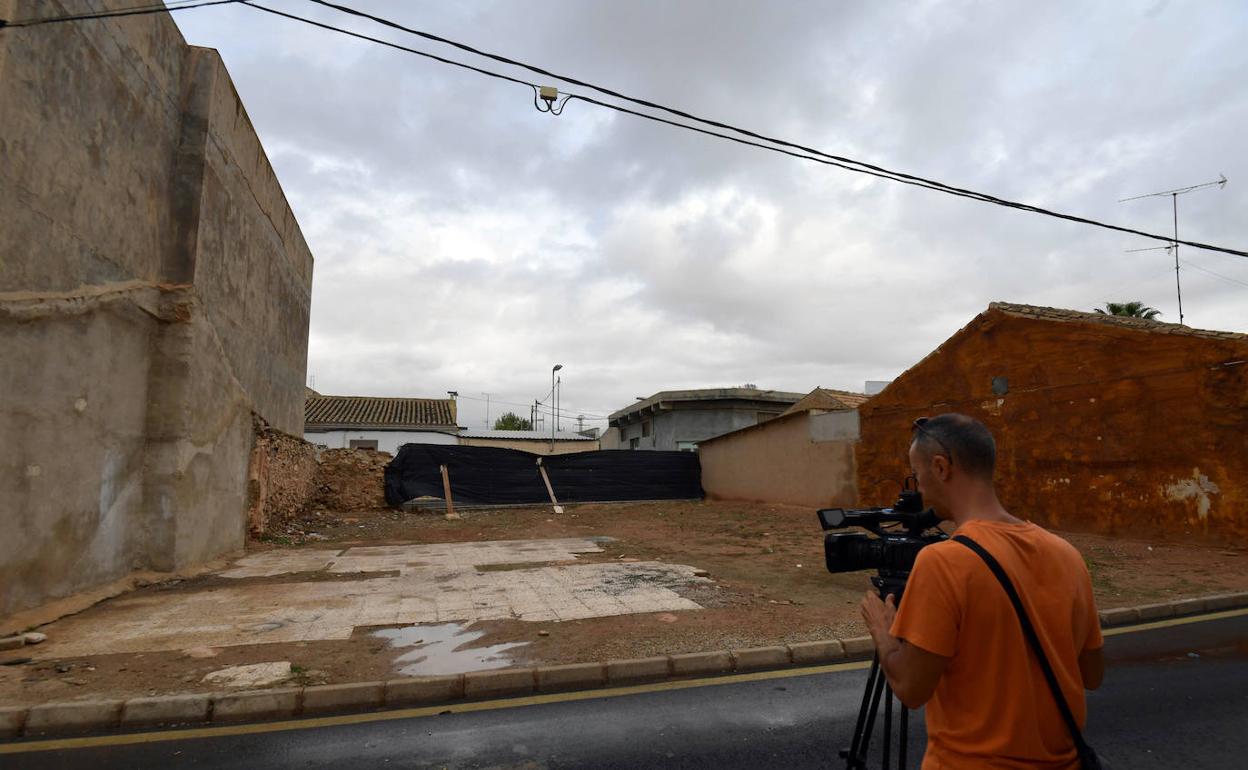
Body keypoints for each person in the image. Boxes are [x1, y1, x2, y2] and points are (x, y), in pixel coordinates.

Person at [860, 413, 1104, 769]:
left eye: (918, 475)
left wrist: (884, 633)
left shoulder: (943, 562)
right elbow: (1092, 675)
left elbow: (912, 689)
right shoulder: (1067, 555)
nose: (920, 489)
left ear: (941, 467)